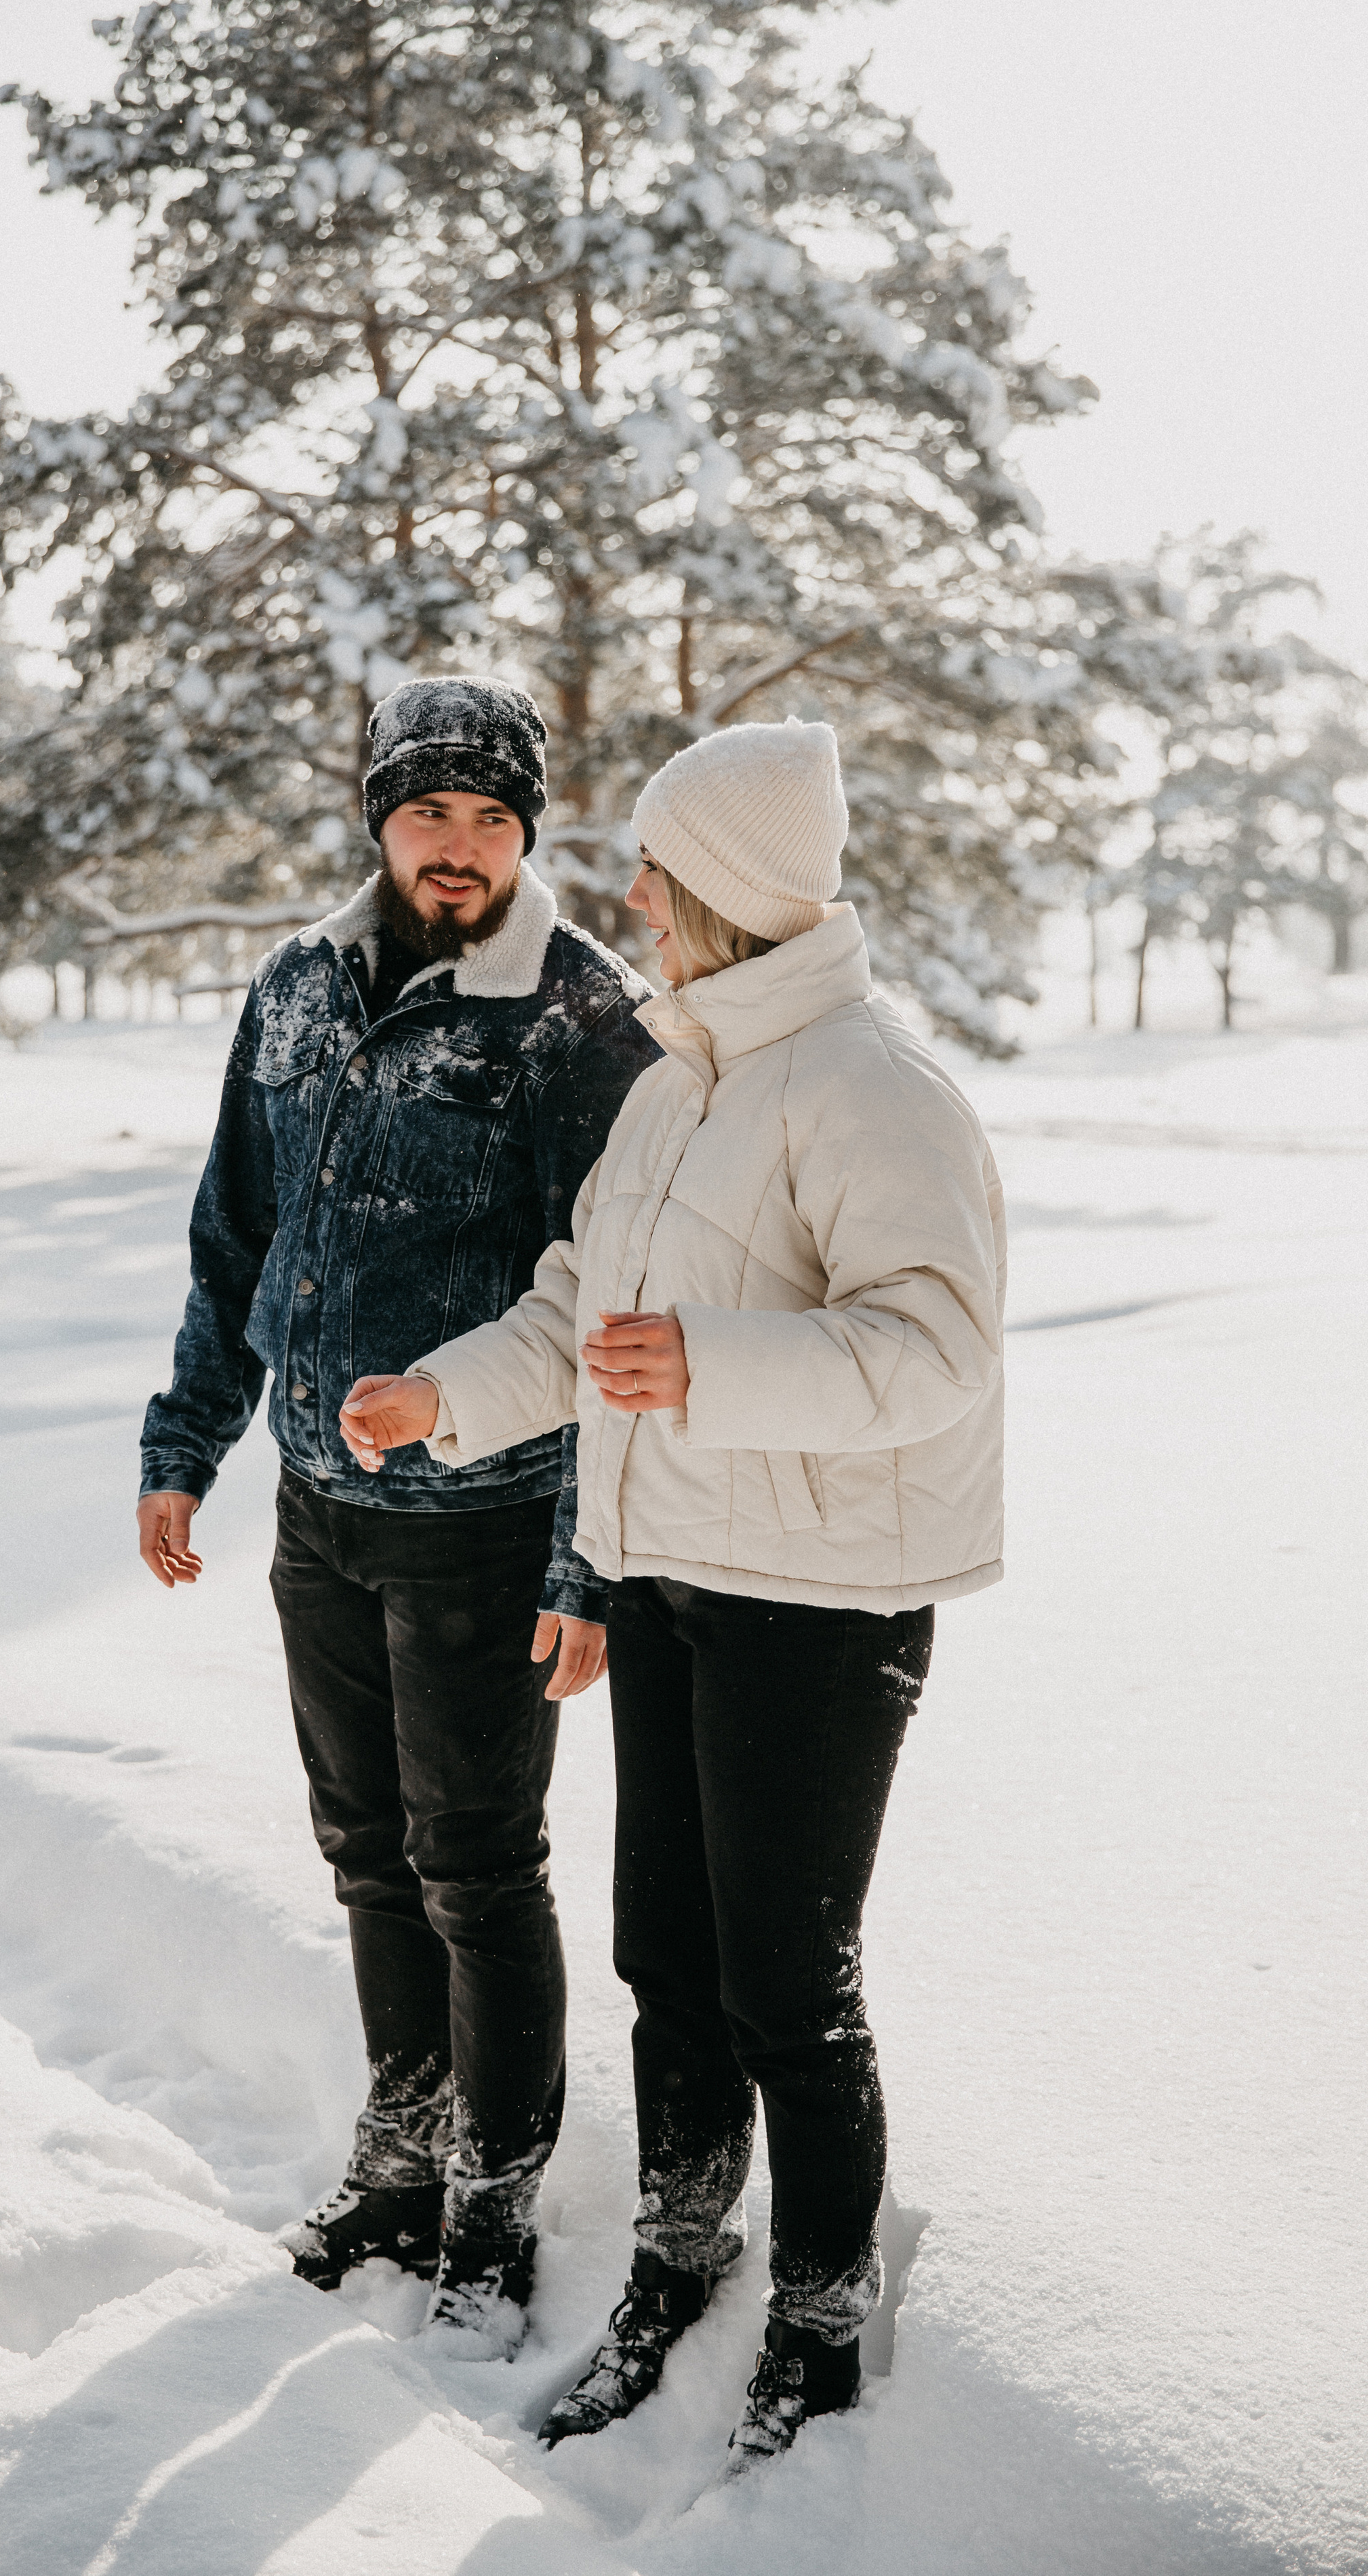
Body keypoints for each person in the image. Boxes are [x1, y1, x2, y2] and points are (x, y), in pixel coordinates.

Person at [339, 716, 1005, 2468]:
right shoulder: (673, 1081)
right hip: (677, 1578)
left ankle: (821, 2312)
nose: (627, 895)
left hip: (824, 1601)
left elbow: (936, 1349)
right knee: (669, 1959)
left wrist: (702, 1361)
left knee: (790, 1975)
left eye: (656, 869)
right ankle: (675, 2257)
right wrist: (444, 1394)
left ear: (727, 888)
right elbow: (581, 1314)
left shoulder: (875, 1087)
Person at [136, 676, 656, 2356]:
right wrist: (185, 1441)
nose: (462, 849)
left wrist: (584, 1557)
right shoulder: (296, 990)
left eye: (495, 821)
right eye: (433, 813)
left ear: (528, 836)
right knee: (365, 1852)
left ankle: (495, 2198)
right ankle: (400, 2153)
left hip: (483, 1523)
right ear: (379, 818)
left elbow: (609, 1312)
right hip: (316, 1510)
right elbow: (236, 1237)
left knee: (478, 1869)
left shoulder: (578, 1021)